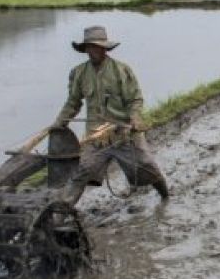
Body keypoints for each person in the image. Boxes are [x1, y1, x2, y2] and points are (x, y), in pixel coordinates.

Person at [53, 25, 170, 203]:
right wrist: (60, 122)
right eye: (91, 47)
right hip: (96, 138)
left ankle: (165, 195)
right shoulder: (79, 73)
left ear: (105, 48)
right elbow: (73, 102)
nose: (95, 50)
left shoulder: (121, 70)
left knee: (146, 166)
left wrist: (135, 119)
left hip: (123, 134)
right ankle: (62, 211)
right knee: (81, 172)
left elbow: (135, 100)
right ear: (86, 49)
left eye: (99, 46)